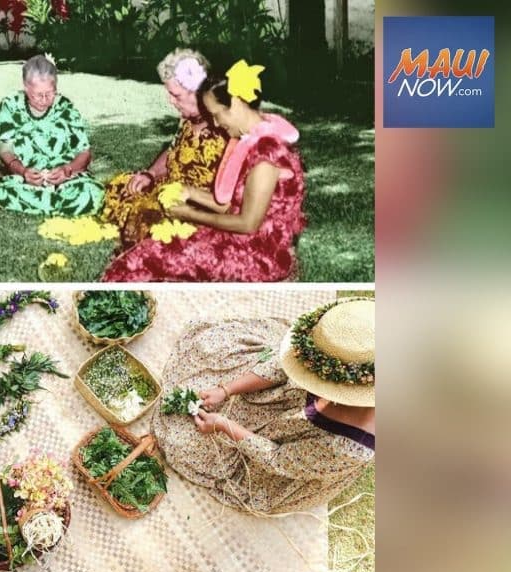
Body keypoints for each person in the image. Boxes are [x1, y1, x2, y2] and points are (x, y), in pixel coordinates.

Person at [151, 298, 375, 514]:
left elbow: (276, 458)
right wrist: (226, 390)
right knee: (212, 350)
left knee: (184, 444)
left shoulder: (348, 449)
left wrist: (222, 424)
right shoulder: (352, 341)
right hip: (284, 402)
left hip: (284, 455)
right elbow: (282, 368)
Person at [103, 60, 306, 282]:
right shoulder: (251, 140)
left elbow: (248, 224)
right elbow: (232, 204)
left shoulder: (267, 156)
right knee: (149, 248)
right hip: (239, 241)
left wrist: (189, 214)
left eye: (217, 115)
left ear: (236, 103)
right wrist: (189, 192)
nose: (217, 124)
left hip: (258, 256)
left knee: (144, 260)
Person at [102, 49, 228, 248]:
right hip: (169, 188)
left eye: (175, 95)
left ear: (197, 92)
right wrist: (150, 174)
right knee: (123, 185)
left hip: (196, 204)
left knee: (146, 219)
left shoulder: (224, 124)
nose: (170, 101)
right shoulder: (187, 119)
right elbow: (173, 151)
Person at [0, 55, 104, 216]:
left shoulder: (66, 107)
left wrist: (67, 170)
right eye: (38, 94)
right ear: (26, 87)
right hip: (26, 180)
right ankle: (58, 204)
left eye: (50, 93)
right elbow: (5, 150)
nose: (44, 100)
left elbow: (84, 152)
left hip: (66, 180)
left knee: (91, 192)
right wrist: (23, 172)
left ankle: (41, 202)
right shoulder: (10, 105)